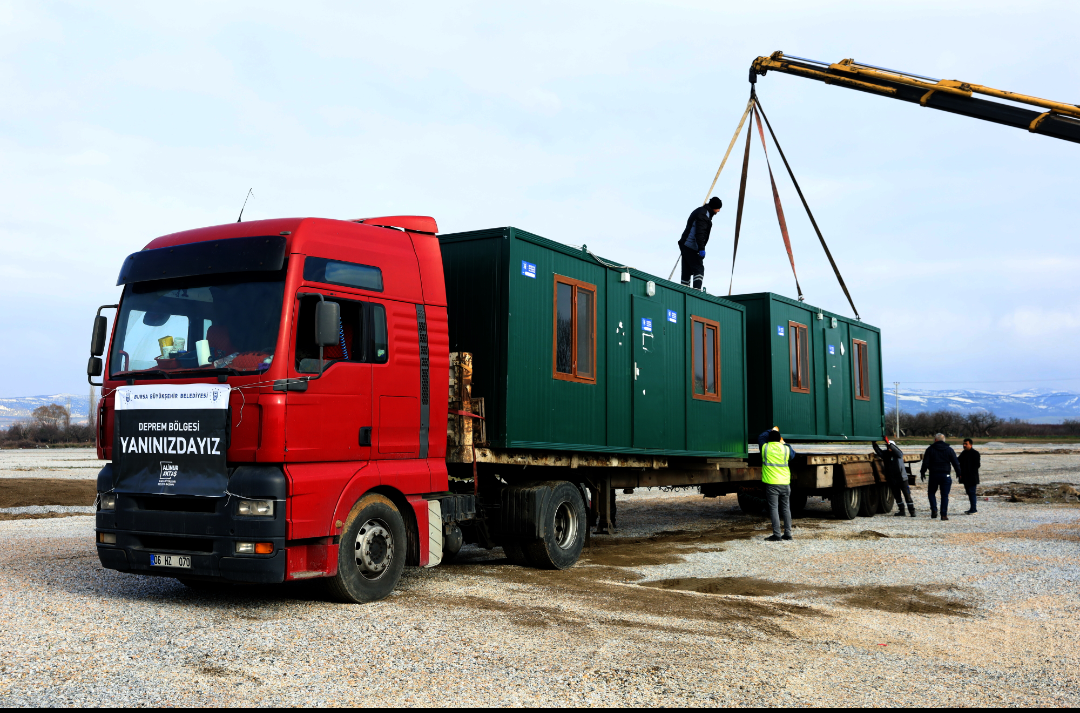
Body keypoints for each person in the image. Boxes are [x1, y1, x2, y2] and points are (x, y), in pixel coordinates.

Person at [758, 427, 796, 542]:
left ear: (769, 439)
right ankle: (788, 533)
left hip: (772, 484)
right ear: (780, 439)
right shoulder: (786, 449)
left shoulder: (765, 448)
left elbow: (761, 437)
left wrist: (771, 430)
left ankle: (777, 535)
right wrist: (784, 442)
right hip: (785, 483)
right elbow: (793, 454)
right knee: (786, 508)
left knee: (774, 508)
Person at [679, 197, 722, 290]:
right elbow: (700, 233)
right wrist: (701, 249)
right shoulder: (703, 215)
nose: (718, 211)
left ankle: (684, 290)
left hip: (685, 244)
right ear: (714, 207)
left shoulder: (701, 211)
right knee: (698, 269)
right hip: (690, 245)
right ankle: (696, 292)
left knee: (686, 271)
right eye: (718, 208)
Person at [919, 433, 962, 521]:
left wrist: (922, 472)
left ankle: (934, 509)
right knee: (944, 495)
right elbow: (955, 462)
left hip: (934, 474)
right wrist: (959, 473)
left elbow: (925, 462)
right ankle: (944, 515)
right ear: (944, 440)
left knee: (931, 492)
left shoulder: (930, 449)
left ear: (935, 440)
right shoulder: (949, 449)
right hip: (946, 474)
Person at [873, 437, 915, 517]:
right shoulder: (886, 455)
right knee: (897, 496)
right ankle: (902, 510)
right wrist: (874, 445)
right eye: (887, 447)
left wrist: (889, 443)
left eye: (889, 447)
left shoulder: (899, 454)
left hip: (902, 479)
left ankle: (912, 511)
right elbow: (879, 452)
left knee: (907, 495)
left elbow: (896, 451)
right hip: (893, 479)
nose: (888, 448)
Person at [957, 438, 981, 514]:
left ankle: (974, 509)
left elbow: (977, 465)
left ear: (970, 444)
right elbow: (957, 461)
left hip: (972, 477)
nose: (964, 445)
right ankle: (972, 508)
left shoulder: (975, 453)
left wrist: (969, 472)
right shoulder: (963, 453)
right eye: (963, 444)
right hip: (965, 477)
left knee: (972, 492)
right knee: (969, 492)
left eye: (966, 444)